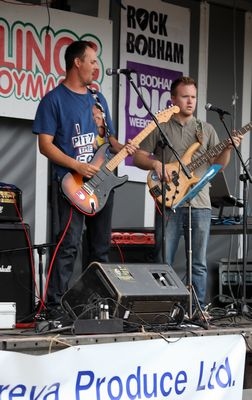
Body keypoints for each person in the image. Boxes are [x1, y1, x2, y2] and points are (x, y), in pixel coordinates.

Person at [32, 40, 137, 320]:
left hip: (103, 182)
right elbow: (45, 145)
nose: (95, 66)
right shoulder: (53, 100)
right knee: (68, 245)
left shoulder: (97, 99)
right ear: (77, 62)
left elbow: (108, 139)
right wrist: (77, 165)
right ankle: (54, 307)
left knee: (100, 248)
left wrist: (123, 146)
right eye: (91, 61)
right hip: (71, 183)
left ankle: (96, 307)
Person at [133, 76, 242, 315]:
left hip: (200, 202)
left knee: (198, 264)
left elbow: (219, 165)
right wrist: (156, 166)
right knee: (163, 260)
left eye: (193, 96)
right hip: (170, 201)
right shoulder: (161, 126)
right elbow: (137, 156)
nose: (190, 101)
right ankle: (160, 309)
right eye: (185, 96)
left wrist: (227, 149)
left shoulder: (207, 129)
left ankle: (197, 309)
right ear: (173, 99)